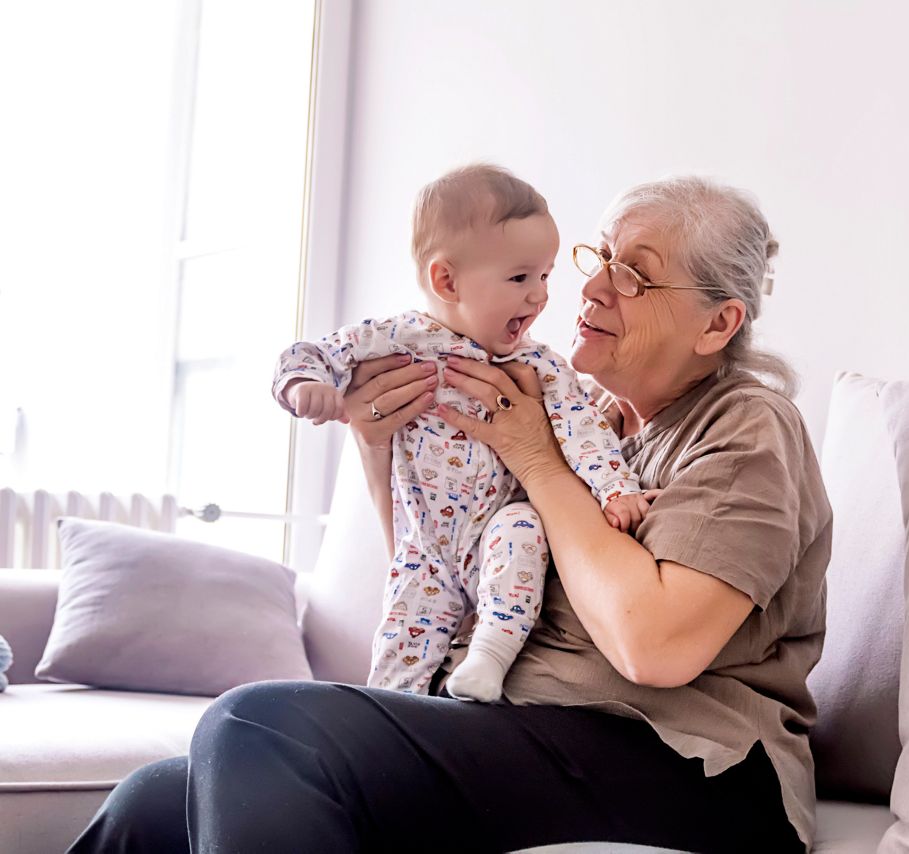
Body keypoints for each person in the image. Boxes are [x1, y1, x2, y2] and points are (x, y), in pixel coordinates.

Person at [68, 176, 830, 854]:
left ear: (717, 325)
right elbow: (448, 562)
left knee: (260, 725)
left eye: (634, 275)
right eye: (598, 258)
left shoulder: (746, 426)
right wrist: (374, 445)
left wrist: (538, 462)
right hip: (528, 723)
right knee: (155, 803)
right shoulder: (586, 414)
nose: (594, 287)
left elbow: (655, 648)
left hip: (688, 765)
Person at [271, 163, 649, 702]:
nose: (540, 297)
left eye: (544, 277)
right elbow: (312, 353)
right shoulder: (397, 340)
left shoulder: (537, 364)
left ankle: (489, 657)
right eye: (520, 278)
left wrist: (616, 488)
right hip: (424, 547)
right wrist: (303, 384)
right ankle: (389, 719)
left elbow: (584, 428)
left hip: (495, 532)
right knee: (399, 654)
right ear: (446, 280)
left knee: (523, 528)